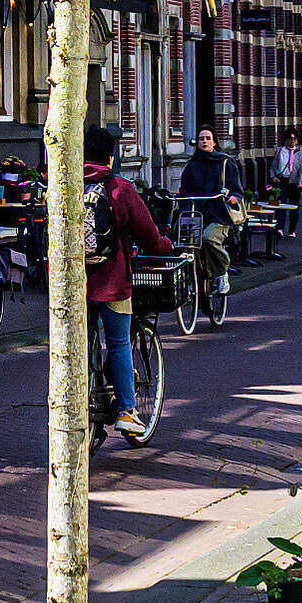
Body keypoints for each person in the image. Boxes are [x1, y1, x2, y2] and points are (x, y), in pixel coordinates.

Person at [82, 128, 173, 445]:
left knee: (81, 345)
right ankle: (126, 411)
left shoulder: (66, 185)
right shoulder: (119, 188)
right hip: (112, 283)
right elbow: (149, 236)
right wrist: (166, 245)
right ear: (110, 157)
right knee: (119, 343)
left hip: (76, 285)